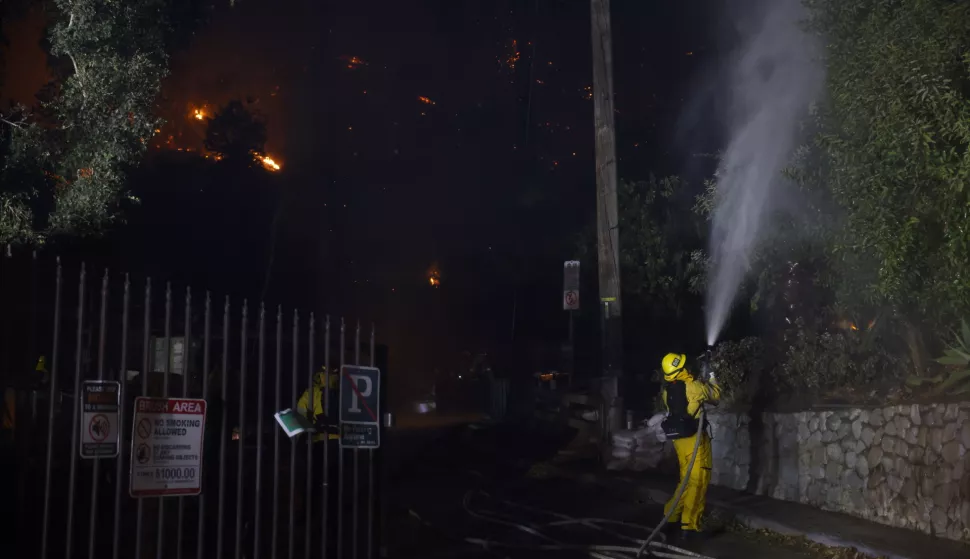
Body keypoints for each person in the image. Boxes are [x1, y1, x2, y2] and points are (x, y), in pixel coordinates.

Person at [659, 352, 721, 540]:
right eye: (685, 365)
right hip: (695, 440)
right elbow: (715, 395)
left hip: (680, 441)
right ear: (680, 370)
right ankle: (690, 526)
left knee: (686, 480)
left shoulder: (666, 391)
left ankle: (670, 516)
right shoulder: (693, 387)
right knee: (699, 480)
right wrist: (711, 375)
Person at [296, 367, 340, 442]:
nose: (328, 376)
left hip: (342, 442)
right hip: (318, 442)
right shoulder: (311, 394)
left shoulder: (347, 393)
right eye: (325, 373)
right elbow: (300, 418)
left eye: (332, 373)